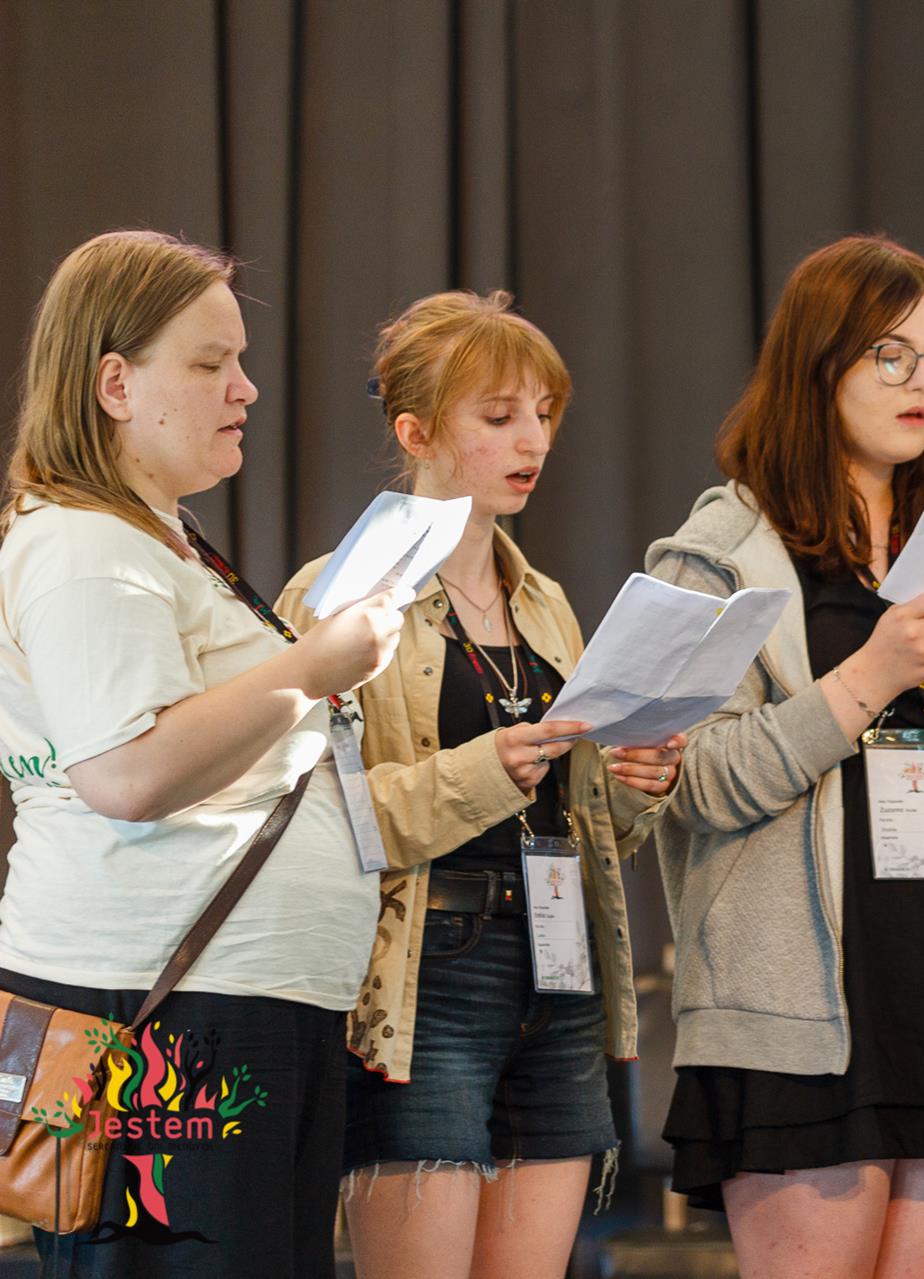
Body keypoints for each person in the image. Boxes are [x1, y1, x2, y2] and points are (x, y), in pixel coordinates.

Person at [646, 234, 924, 1279]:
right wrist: (869, 675)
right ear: (818, 363)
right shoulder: (720, 552)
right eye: (891, 356)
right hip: (799, 1008)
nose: (921, 383)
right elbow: (693, 780)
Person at [0, 229, 404, 1275]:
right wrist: (314, 667)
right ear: (115, 384)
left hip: (228, 1003)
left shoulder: (153, 537)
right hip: (164, 1008)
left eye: (240, 361)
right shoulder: (84, 544)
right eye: (211, 362)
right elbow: (127, 774)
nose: (246, 388)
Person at [274, 291, 684, 1279]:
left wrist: (637, 781)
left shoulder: (546, 603)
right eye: (498, 416)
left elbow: (587, 820)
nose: (531, 439)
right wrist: (480, 773)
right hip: (428, 971)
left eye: (543, 412)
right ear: (415, 432)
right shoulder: (341, 595)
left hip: (559, 962)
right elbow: (317, 819)